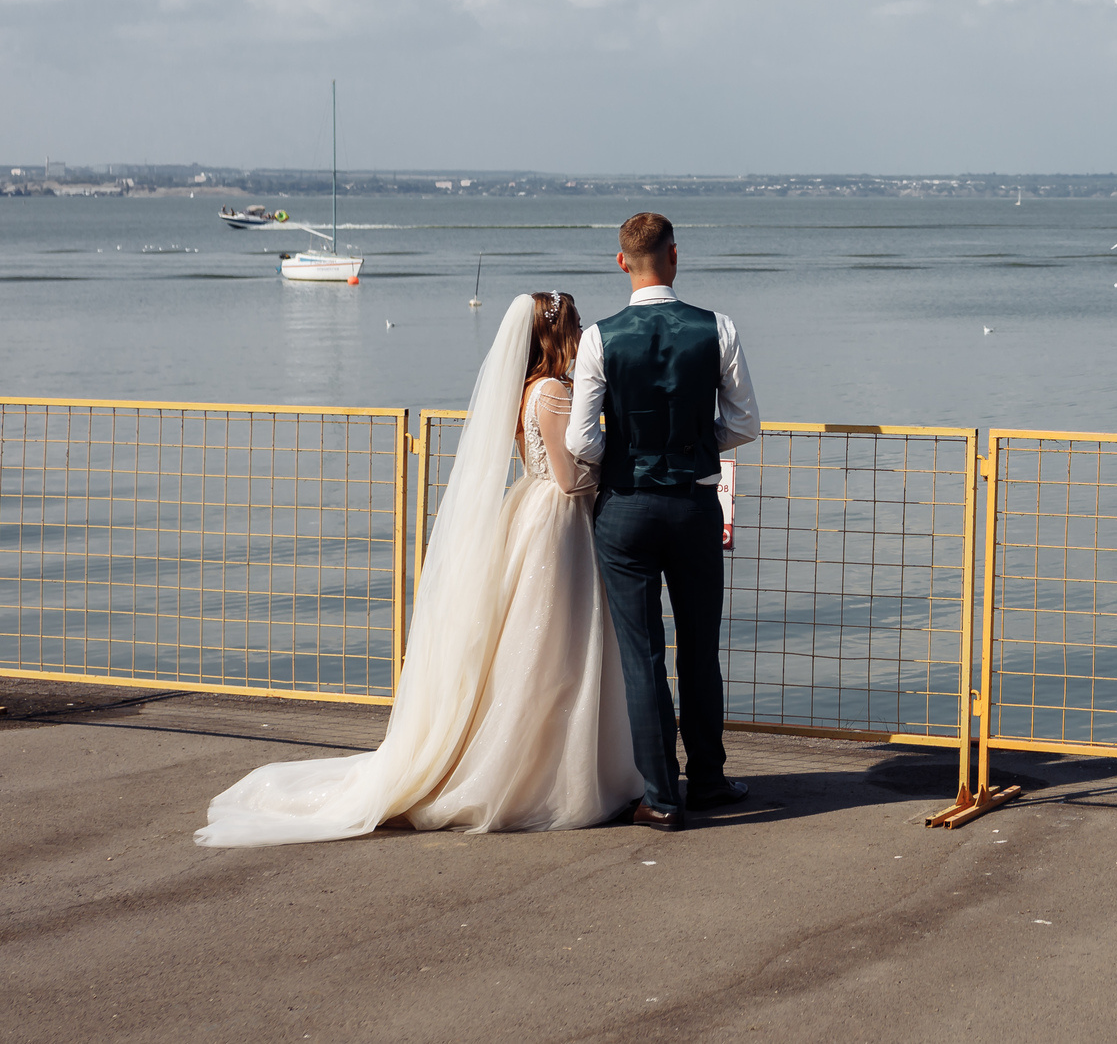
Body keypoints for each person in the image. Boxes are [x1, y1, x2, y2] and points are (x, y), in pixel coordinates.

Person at [196, 293, 644, 845]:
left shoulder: (523, 391)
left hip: (530, 509)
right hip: (558, 520)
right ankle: (549, 775)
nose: (580, 334)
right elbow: (569, 477)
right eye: (574, 325)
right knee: (556, 645)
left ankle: (544, 763)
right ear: (554, 336)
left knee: (536, 645)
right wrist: (621, 471)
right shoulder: (552, 392)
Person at [565, 211, 761, 831]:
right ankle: (707, 778)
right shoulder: (717, 328)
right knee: (699, 650)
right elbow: (745, 423)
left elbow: (580, 438)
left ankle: (661, 796)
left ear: (622, 262)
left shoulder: (598, 337)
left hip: (624, 507)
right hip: (695, 505)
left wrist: (624, 455)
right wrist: (699, 449)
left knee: (642, 656)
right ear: (674, 256)